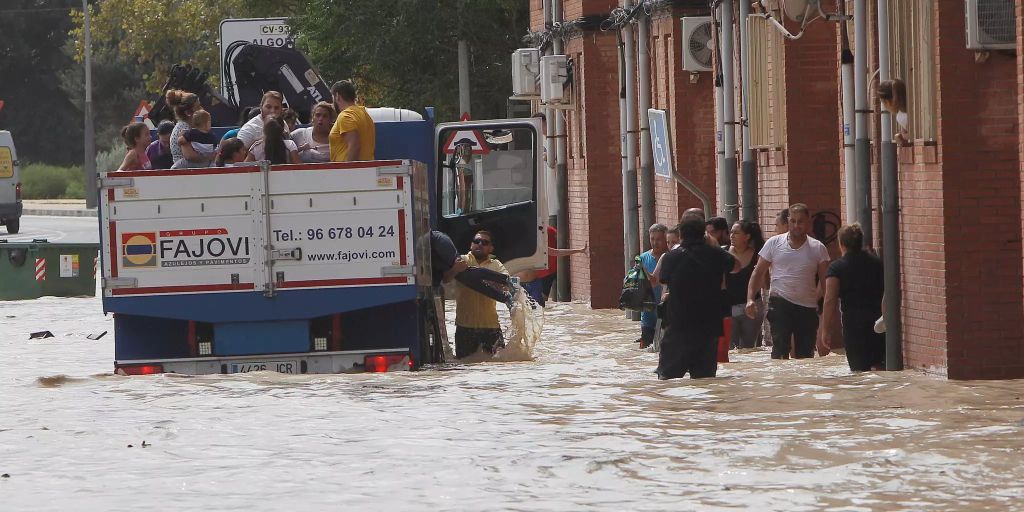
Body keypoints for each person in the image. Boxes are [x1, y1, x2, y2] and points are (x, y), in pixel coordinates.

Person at [657, 216, 742, 379]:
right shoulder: (716, 254)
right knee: (705, 381)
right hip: (708, 328)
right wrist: (714, 247)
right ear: (703, 234)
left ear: (681, 234)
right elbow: (737, 266)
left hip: (678, 326)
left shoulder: (671, 257)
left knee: (668, 380)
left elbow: (663, 279)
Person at [746, 203, 831, 359]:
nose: (796, 225)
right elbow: (758, 272)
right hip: (780, 302)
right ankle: (780, 381)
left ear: (808, 222)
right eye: (793, 221)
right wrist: (750, 299)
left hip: (807, 306)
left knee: (805, 355)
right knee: (780, 350)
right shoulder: (774, 243)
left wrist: (826, 312)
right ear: (788, 221)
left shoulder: (818, 248)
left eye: (801, 221)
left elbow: (826, 282)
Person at [822, 223, 885, 371]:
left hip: (853, 325)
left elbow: (830, 299)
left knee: (858, 371)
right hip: (878, 323)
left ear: (841, 244)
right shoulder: (877, 263)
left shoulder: (836, 267)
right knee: (879, 367)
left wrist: (825, 329)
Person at [454, 230, 509, 359]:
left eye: (484, 242)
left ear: (491, 248)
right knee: (464, 368)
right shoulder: (462, 261)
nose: (479, 244)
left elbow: (507, 283)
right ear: (471, 245)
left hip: (491, 327)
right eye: (476, 241)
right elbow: (446, 277)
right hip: (465, 327)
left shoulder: (496, 265)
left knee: (501, 367)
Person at [515, 226, 588, 307]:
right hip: (519, 283)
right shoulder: (514, 249)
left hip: (534, 283)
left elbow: (557, 252)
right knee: (519, 309)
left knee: (538, 308)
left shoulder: (539, 248)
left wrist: (579, 250)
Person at [727, 220, 765, 349]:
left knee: (749, 349)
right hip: (729, 308)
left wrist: (763, 272)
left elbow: (765, 284)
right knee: (730, 349)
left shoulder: (758, 255)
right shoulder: (724, 253)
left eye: (736, 233)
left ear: (747, 236)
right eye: (731, 232)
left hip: (752, 306)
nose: (731, 235)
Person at [637, 223, 669, 348]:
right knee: (645, 353)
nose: (655, 243)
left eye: (659, 239)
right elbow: (632, 283)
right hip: (647, 315)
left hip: (667, 314)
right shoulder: (643, 258)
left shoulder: (671, 257)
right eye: (652, 239)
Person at [329, 80, 375, 162]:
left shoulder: (345, 116)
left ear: (337, 96)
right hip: (366, 170)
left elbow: (354, 145)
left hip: (349, 172)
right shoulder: (364, 114)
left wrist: (348, 171)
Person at [164, 89, 200, 164]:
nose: (202, 109)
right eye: (198, 107)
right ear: (188, 112)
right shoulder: (184, 129)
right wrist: (210, 157)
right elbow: (189, 156)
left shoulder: (186, 126)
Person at [877, 78, 908, 145]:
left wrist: (903, 137)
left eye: (883, 103)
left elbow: (913, 135)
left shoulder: (901, 117)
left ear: (887, 102)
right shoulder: (908, 112)